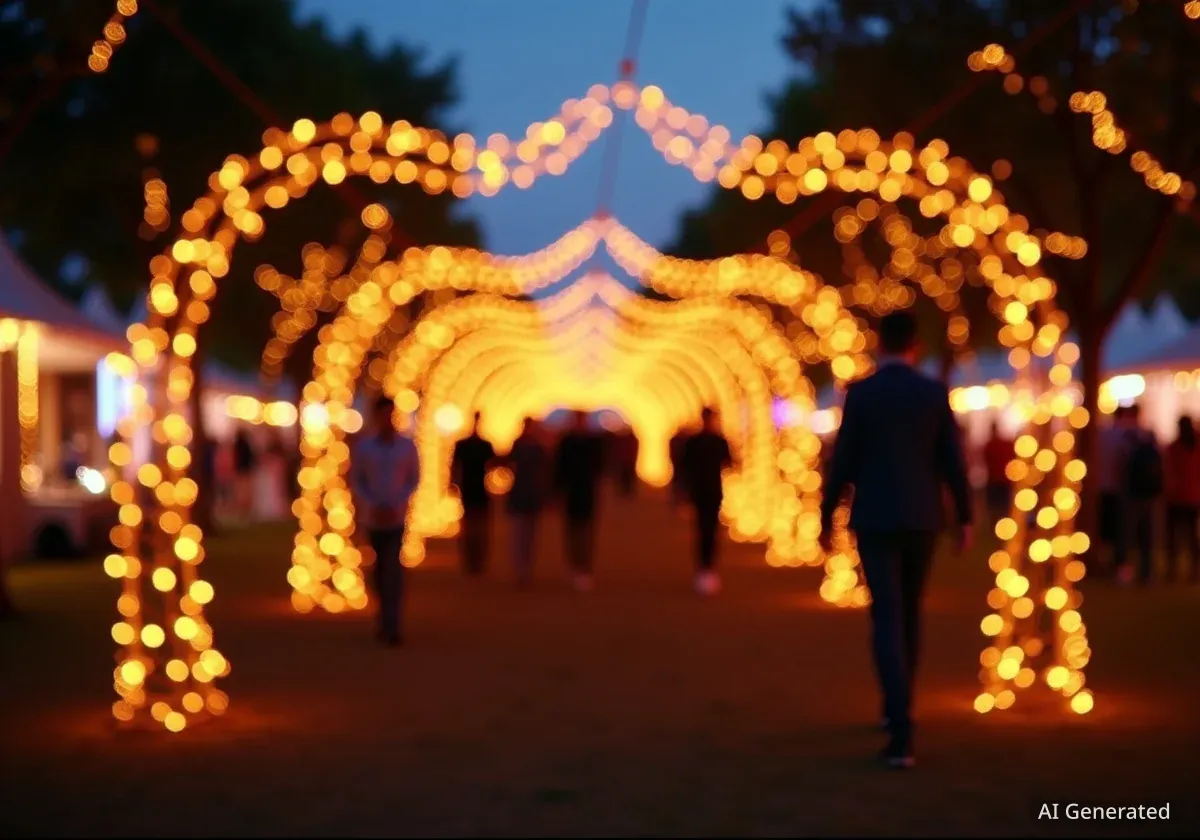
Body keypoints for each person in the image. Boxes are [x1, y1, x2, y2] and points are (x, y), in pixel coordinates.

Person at [820, 311, 972, 770]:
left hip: (875, 519)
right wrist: (963, 516)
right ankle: (903, 709)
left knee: (885, 615)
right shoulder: (931, 394)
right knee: (911, 611)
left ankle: (897, 715)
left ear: (879, 344)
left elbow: (842, 460)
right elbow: (952, 459)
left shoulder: (861, 394)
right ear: (916, 346)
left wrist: (826, 515)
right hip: (924, 518)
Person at [350, 397, 419, 646]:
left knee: (393, 567)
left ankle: (392, 622)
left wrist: (398, 502)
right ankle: (383, 614)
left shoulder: (406, 447)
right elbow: (357, 480)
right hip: (373, 517)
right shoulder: (365, 448)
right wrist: (371, 504)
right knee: (379, 569)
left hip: (397, 516)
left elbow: (414, 478)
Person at [681, 407, 734, 595]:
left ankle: (706, 567)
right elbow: (731, 463)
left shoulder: (700, 441)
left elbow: (685, 466)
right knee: (705, 529)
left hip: (708, 491)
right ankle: (705, 567)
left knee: (707, 529)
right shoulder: (713, 441)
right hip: (706, 491)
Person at [554, 411, 606, 591]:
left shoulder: (592, 443)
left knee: (585, 532)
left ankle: (584, 569)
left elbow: (600, 467)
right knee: (572, 532)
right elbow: (559, 469)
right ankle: (575, 566)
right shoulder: (567, 442)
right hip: (572, 494)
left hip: (587, 493)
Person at [1119, 403, 1162, 585]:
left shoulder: (1125, 436)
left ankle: (1125, 572)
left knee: (1127, 534)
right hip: (1149, 493)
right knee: (1146, 536)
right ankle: (1146, 573)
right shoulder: (1148, 435)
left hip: (1132, 492)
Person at [506, 419, 551, 586]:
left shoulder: (536, 447)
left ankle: (525, 568)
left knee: (528, 535)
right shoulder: (526, 446)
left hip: (530, 496)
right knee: (521, 534)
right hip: (522, 495)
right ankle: (521, 569)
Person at [452, 413, 496, 576]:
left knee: (477, 528)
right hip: (472, 491)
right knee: (473, 528)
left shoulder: (471, 445)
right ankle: (473, 561)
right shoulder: (478, 445)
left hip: (475, 491)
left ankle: (476, 560)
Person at [1095, 406, 1133, 576]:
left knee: (1103, 530)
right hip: (1119, 489)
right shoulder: (1124, 436)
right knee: (1119, 530)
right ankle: (1118, 566)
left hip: (1101, 488)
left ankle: (1103, 563)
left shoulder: (1102, 434)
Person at [1164, 416, 1200, 583]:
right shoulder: (1195, 446)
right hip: (1193, 497)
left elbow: (1168, 472)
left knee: (1174, 537)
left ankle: (1173, 570)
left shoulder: (1174, 448)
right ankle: (1193, 570)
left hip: (1176, 497)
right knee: (1192, 536)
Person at [982, 421, 1013, 522]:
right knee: (1004, 508)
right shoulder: (1004, 444)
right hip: (1003, 480)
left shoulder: (989, 445)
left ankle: (996, 526)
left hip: (995, 480)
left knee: (995, 508)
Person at [232, 428, 257, 524]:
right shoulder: (246, 445)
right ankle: (246, 511)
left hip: (240, 471)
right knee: (246, 492)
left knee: (240, 492)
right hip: (245, 471)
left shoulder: (237, 445)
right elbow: (251, 457)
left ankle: (242, 512)